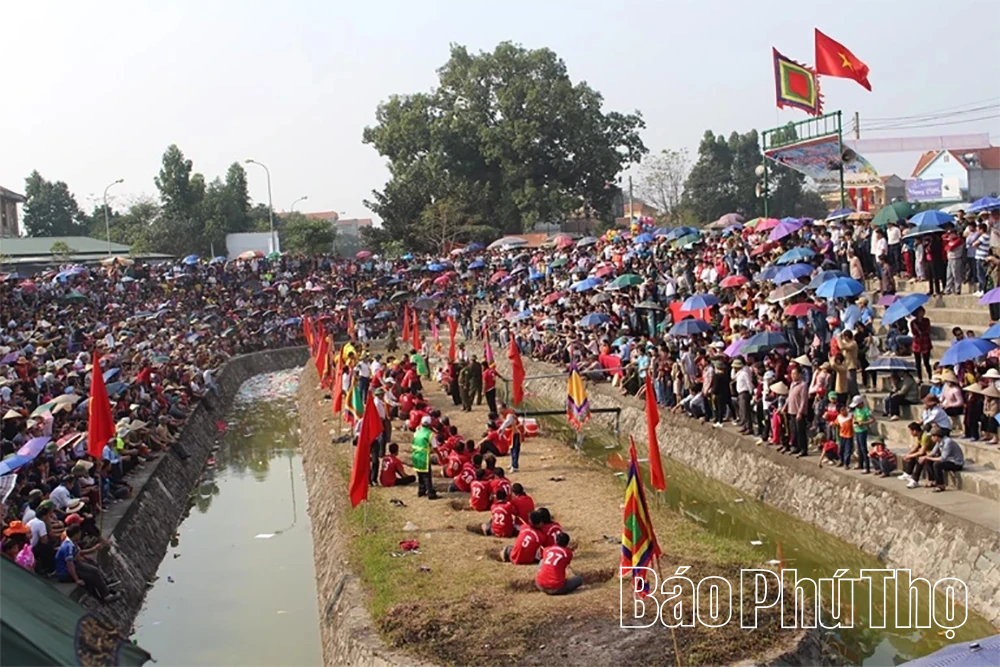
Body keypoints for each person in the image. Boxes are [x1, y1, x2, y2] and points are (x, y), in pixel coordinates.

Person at [55, 524, 120, 603]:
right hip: (65, 572)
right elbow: (69, 564)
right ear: (75, 534)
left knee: (94, 570)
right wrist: (77, 579)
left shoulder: (73, 543)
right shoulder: (68, 546)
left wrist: (86, 562)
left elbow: (78, 556)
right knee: (90, 577)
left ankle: (105, 590)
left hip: (75, 566)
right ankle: (105, 596)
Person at [910, 425, 965, 491]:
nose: (931, 438)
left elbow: (942, 459)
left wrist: (927, 458)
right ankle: (932, 480)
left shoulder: (948, 442)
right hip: (948, 460)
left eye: (932, 436)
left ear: (936, 436)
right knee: (928, 460)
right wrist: (924, 457)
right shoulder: (938, 442)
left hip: (956, 462)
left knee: (937, 464)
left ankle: (940, 485)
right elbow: (932, 453)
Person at [411, 416, 438, 499]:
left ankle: (421, 491)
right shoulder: (430, 434)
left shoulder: (417, 432)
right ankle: (430, 493)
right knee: (427, 476)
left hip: (415, 455)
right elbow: (435, 447)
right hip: (424, 456)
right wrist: (439, 456)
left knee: (420, 474)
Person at [850, 395, 873, 473]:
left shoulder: (866, 410)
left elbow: (872, 420)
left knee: (863, 448)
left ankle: (867, 467)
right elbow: (854, 417)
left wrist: (863, 423)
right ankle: (860, 464)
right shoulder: (856, 410)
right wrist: (854, 421)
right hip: (857, 430)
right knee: (859, 448)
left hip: (863, 431)